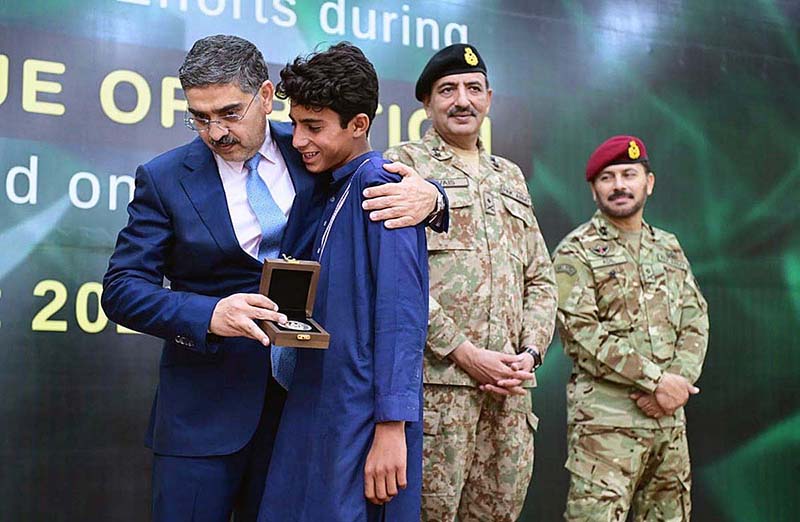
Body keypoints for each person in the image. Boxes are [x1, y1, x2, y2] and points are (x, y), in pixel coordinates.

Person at [101, 34, 445, 522]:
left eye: (229, 113)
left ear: (265, 96)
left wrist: (434, 198)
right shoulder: (164, 177)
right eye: (199, 117)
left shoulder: (311, 148)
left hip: (302, 417)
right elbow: (121, 289)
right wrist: (210, 314)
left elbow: (376, 176)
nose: (216, 131)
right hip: (202, 419)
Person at [384, 43, 558, 522]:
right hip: (439, 393)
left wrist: (529, 354)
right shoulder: (404, 164)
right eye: (448, 90)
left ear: (489, 98)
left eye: (473, 88)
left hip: (509, 395)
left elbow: (541, 277)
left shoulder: (511, 177)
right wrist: (463, 352)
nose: (462, 100)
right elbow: (397, 279)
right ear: (426, 103)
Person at [257, 42, 428, 522]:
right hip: (316, 400)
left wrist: (392, 426)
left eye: (314, 127)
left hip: (361, 415)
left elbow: (402, 315)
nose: (299, 140)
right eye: (295, 124)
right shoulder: (331, 183)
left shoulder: (382, 187)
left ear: (359, 125)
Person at [552, 135, 709, 521]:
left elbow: (695, 318)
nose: (619, 185)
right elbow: (580, 335)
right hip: (606, 429)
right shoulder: (575, 251)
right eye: (607, 178)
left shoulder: (668, 247)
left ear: (648, 183)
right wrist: (657, 381)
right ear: (594, 191)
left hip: (669, 426)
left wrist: (676, 386)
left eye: (629, 174)